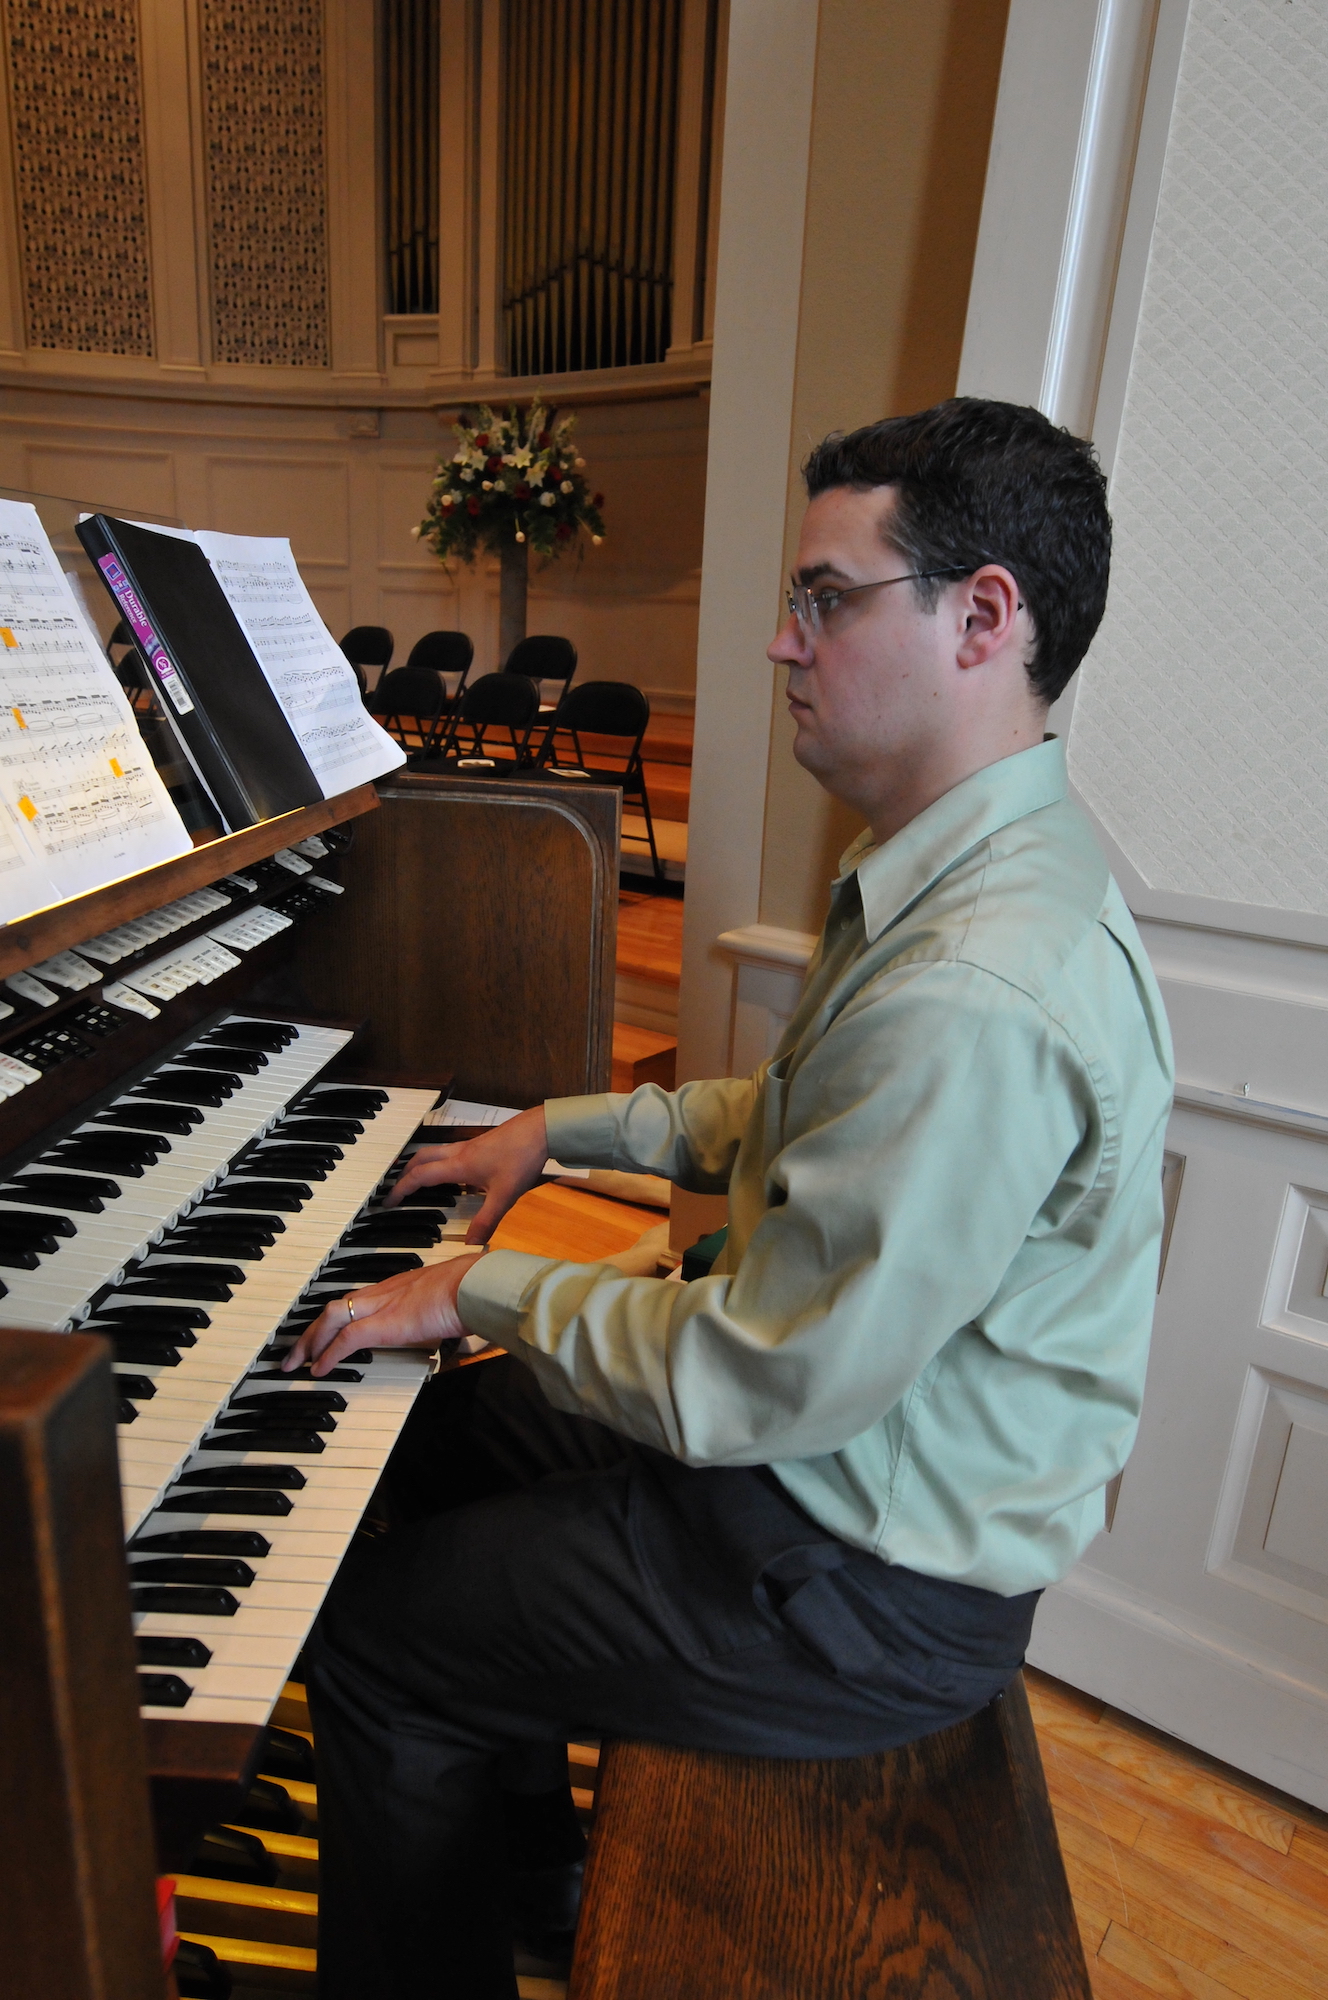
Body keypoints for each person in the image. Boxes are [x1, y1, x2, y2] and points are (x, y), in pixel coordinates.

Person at [288, 398, 1174, 1998]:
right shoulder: (967, 864)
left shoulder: (978, 980)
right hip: (829, 1467)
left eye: (825, 599)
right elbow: (799, 1119)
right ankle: (533, 1876)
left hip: (867, 1577)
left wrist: (474, 1289)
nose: (780, 643)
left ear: (984, 618)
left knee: (376, 1648)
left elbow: (759, 1377)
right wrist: (557, 1131)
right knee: (426, 1445)